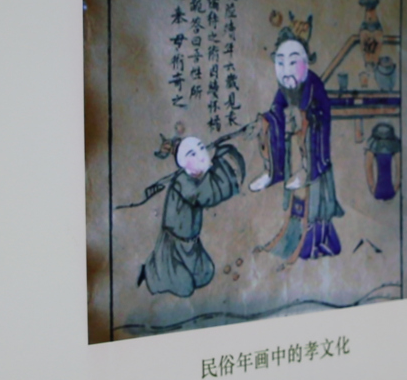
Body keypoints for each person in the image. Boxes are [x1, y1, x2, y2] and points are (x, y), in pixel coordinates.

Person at [249, 35, 344, 261]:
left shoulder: (312, 84)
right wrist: (266, 122)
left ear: (305, 61)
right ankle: (271, 170)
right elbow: (276, 112)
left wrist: (302, 124)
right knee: (295, 203)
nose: (286, 70)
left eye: (293, 62)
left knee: (313, 206)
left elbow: (311, 115)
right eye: (281, 63)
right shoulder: (284, 88)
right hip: (295, 151)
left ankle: (313, 242)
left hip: (313, 152)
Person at [138, 135, 247, 297]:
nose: (201, 155)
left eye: (202, 149)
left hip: (192, 244)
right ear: (183, 162)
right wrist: (221, 163)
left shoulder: (196, 178)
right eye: (193, 154)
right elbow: (208, 194)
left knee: (206, 273)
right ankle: (151, 272)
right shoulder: (183, 182)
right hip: (173, 247)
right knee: (185, 287)